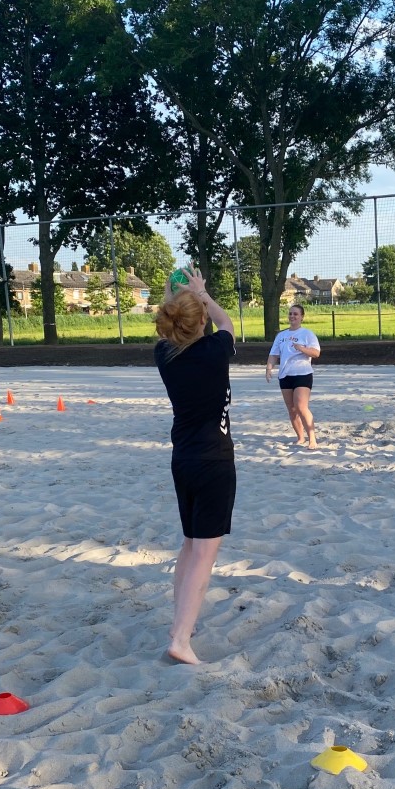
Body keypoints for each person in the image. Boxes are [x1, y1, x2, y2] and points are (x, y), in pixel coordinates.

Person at [154, 266, 237, 665]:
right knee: (204, 554)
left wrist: (183, 297)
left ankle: (178, 625)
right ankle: (181, 639)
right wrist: (202, 293)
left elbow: (201, 324)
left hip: (183, 460)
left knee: (189, 546)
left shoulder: (164, 355)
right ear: (200, 320)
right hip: (214, 462)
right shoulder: (216, 350)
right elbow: (227, 321)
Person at [266, 303, 321, 449]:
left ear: (302, 317)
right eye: (290, 313)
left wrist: (302, 348)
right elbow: (273, 354)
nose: (292, 316)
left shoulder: (307, 334)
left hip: (302, 373)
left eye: (295, 314)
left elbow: (316, 353)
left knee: (301, 406)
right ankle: (300, 437)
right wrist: (269, 368)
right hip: (285, 374)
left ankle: (312, 439)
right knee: (291, 408)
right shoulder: (281, 336)